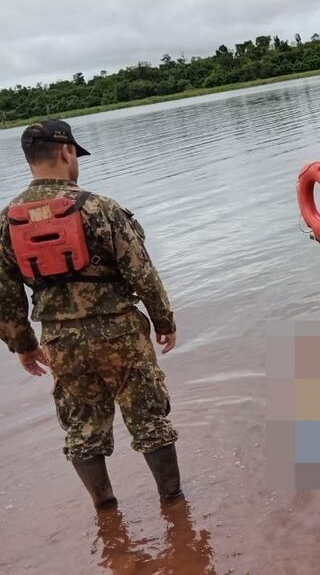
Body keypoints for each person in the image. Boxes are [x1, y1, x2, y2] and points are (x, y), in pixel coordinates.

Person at [0, 119, 183, 509]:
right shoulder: (101, 208)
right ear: (66, 152)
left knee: (82, 427)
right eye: (74, 155)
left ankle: (105, 510)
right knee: (149, 418)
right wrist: (164, 322)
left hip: (60, 341)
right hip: (119, 333)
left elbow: (4, 293)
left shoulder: (6, 222)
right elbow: (142, 272)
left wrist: (24, 345)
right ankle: (174, 503)